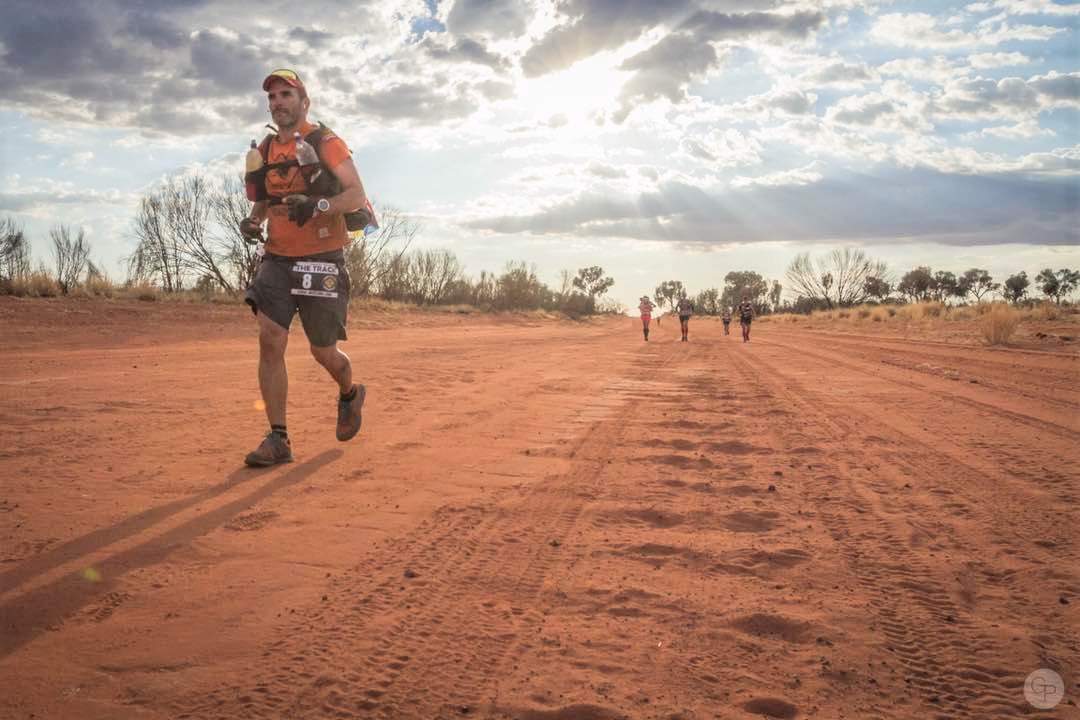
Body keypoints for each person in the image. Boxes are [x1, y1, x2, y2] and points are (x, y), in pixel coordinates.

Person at [239, 69, 372, 466]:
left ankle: (349, 391)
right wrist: (254, 220)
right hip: (278, 259)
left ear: (304, 102)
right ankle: (277, 437)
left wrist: (318, 205)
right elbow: (263, 199)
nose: (278, 102)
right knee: (270, 339)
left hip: (321, 258)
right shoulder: (264, 149)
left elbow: (356, 194)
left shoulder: (326, 142)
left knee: (323, 351)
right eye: (273, 98)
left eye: (286, 94)